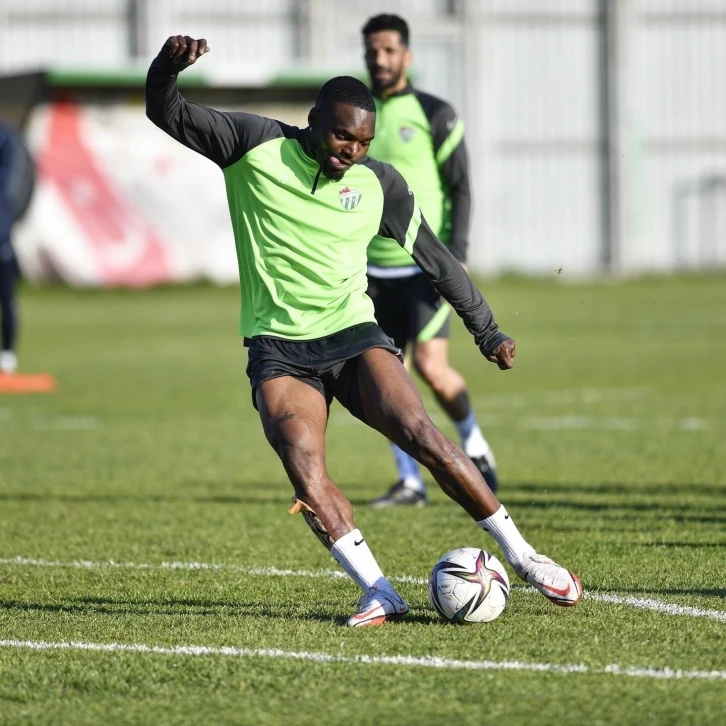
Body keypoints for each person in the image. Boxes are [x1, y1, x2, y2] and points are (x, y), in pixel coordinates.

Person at [146, 35, 583, 627]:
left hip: (353, 335)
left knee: (421, 433)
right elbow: (165, 110)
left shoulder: (379, 183)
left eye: (362, 142)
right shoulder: (252, 144)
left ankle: (524, 555)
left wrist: (487, 331)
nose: (350, 151)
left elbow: (438, 261)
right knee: (304, 467)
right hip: (278, 349)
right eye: (341, 137)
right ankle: (379, 590)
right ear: (313, 120)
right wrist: (169, 67)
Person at [362, 14, 498, 507]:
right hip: (367, 272)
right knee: (383, 377)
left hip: (425, 268)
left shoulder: (435, 113)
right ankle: (410, 482)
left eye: (389, 50)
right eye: (372, 51)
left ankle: (474, 442)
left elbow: (460, 186)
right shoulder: (356, 114)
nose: (380, 59)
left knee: (431, 368)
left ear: (407, 56)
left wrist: (455, 256)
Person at [0, 122, 24, 375]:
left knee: (7, 299)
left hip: (1, 236)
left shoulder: (5, 138)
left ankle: (7, 354)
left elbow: (9, 184)